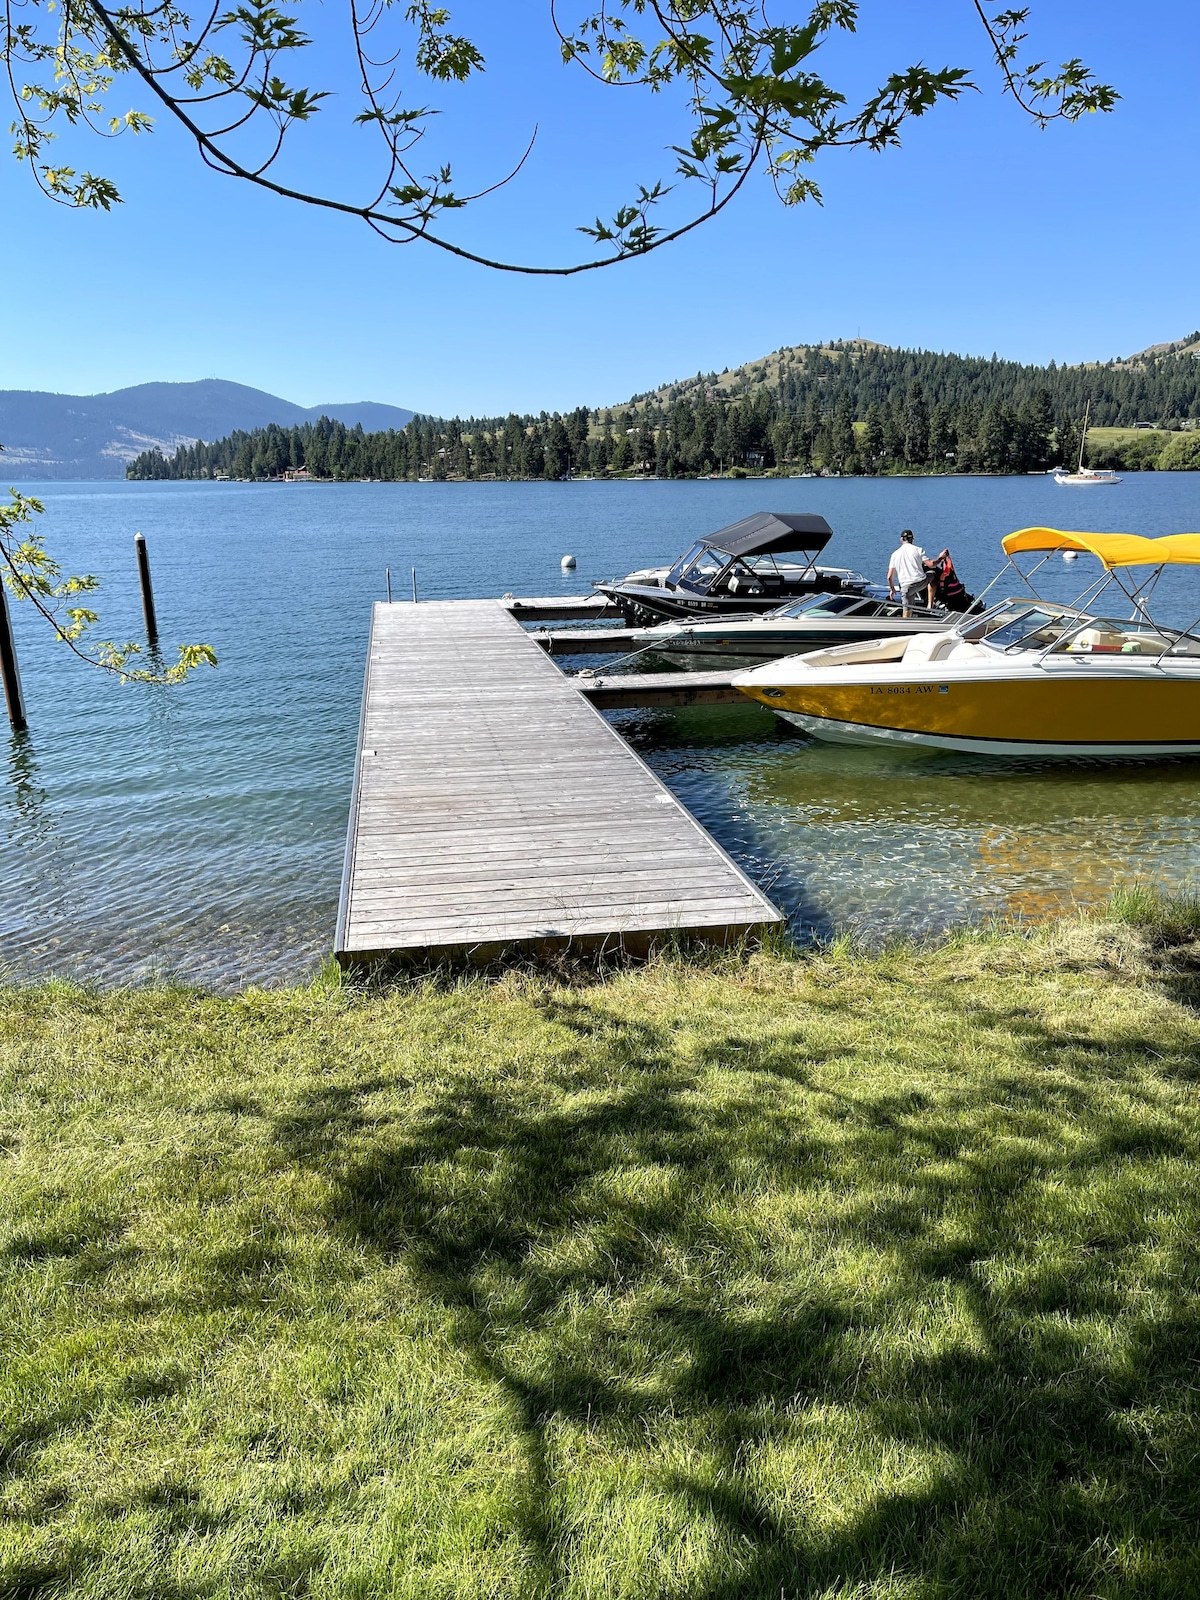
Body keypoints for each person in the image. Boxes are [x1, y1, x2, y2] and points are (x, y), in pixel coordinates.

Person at [887, 530, 934, 615]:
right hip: (919, 582)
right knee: (934, 574)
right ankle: (930, 605)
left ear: (901, 539)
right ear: (912, 539)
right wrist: (941, 557)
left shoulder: (895, 554)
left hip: (905, 588)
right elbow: (931, 564)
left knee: (906, 613)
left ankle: (905, 626)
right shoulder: (918, 550)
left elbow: (889, 577)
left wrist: (892, 589)